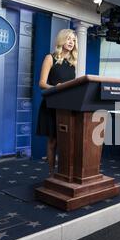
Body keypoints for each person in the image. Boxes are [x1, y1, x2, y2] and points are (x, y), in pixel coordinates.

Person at [36, 29, 78, 175]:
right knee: (53, 141)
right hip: (52, 104)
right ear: (61, 40)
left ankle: (65, 172)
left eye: (73, 40)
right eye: (68, 39)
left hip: (67, 106)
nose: (71, 42)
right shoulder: (50, 58)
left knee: (66, 141)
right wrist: (56, 87)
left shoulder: (72, 63)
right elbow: (41, 83)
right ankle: (51, 173)